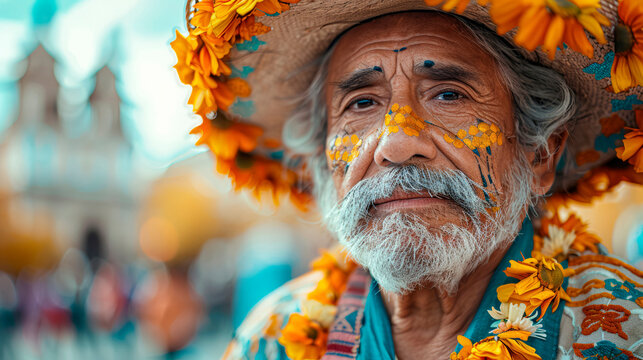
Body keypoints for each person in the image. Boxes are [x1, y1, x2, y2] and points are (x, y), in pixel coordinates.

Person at [171, 0, 643, 359]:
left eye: (447, 95)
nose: (396, 145)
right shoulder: (271, 339)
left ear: (540, 154)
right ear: (322, 161)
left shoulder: (623, 334)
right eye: (362, 104)